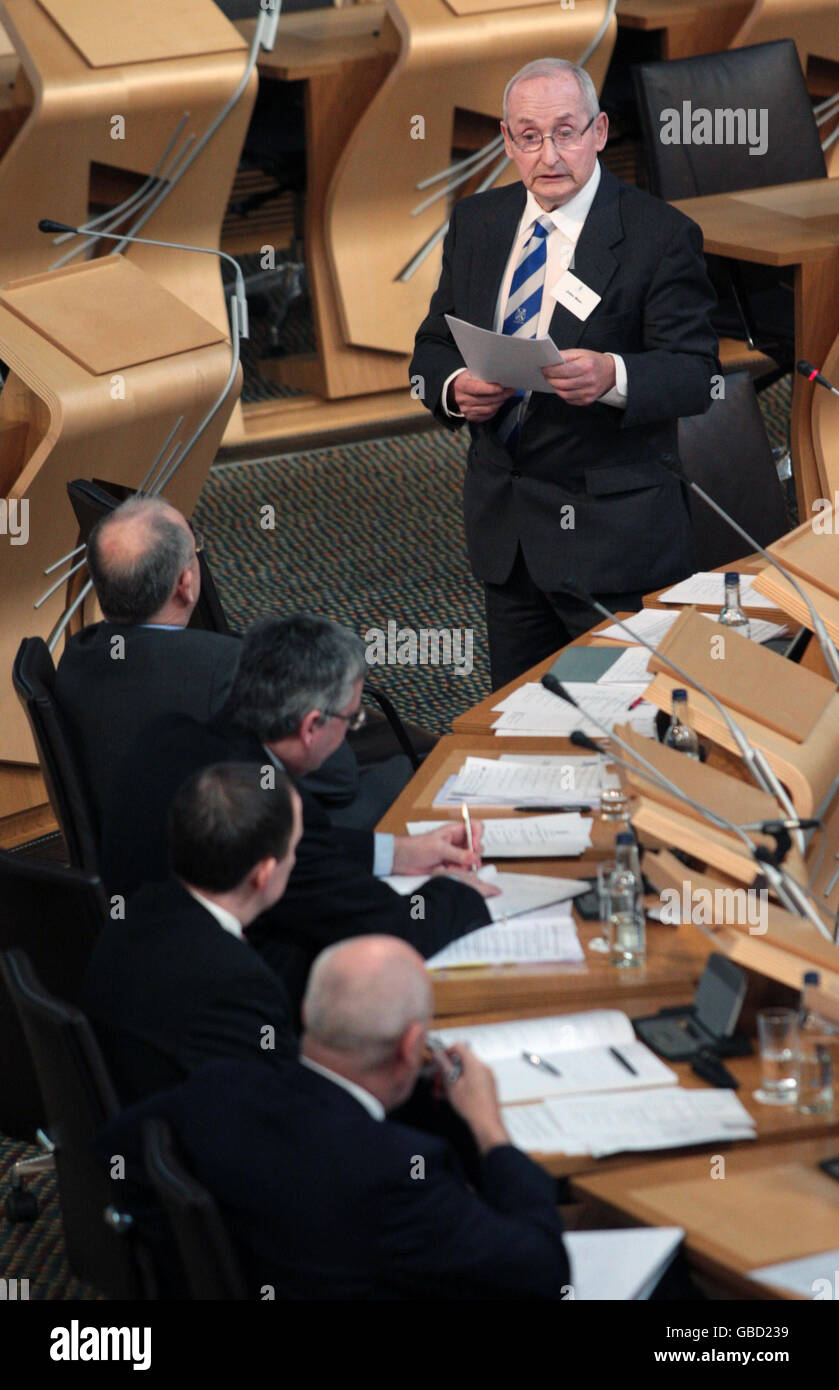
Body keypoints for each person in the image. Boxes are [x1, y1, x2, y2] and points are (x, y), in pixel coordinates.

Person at [411, 57, 719, 688]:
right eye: (529, 136)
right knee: (521, 724)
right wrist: (452, 388)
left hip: (614, 543)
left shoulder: (659, 237)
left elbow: (696, 375)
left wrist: (614, 374)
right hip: (510, 535)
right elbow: (434, 346)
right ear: (507, 140)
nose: (549, 155)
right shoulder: (478, 223)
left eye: (566, 132)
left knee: (623, 729)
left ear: (600, 132)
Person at [95, 937, 571, 1299]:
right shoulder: (396, 1175)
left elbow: (111, 1150)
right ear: (410, 1047)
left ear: (308, 1011)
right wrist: (490, 1130)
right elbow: (542, 1270)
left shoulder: (221, 1087)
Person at [100, 614, 497, 1008]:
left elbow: (313, 850)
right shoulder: (270, 812)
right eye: (352, 718)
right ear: (311, 727)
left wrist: (400, 852)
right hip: (237, 1004)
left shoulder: (166, 737)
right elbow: (395, 928)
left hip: (127, 968)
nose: (352, 729)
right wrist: (459, 893)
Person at [55, 495, 420, 833]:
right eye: (194, 550)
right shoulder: (225, 666)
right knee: (407, 770)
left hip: (129, 851)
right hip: (229, 854)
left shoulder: (74, 657)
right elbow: (335, 780)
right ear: (186, 583)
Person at [84, 762, 301, 1104]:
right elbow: (273, 1110)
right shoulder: (238, 983)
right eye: (294, 850)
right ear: (263, 874)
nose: (296, 859)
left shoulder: (135, 910)